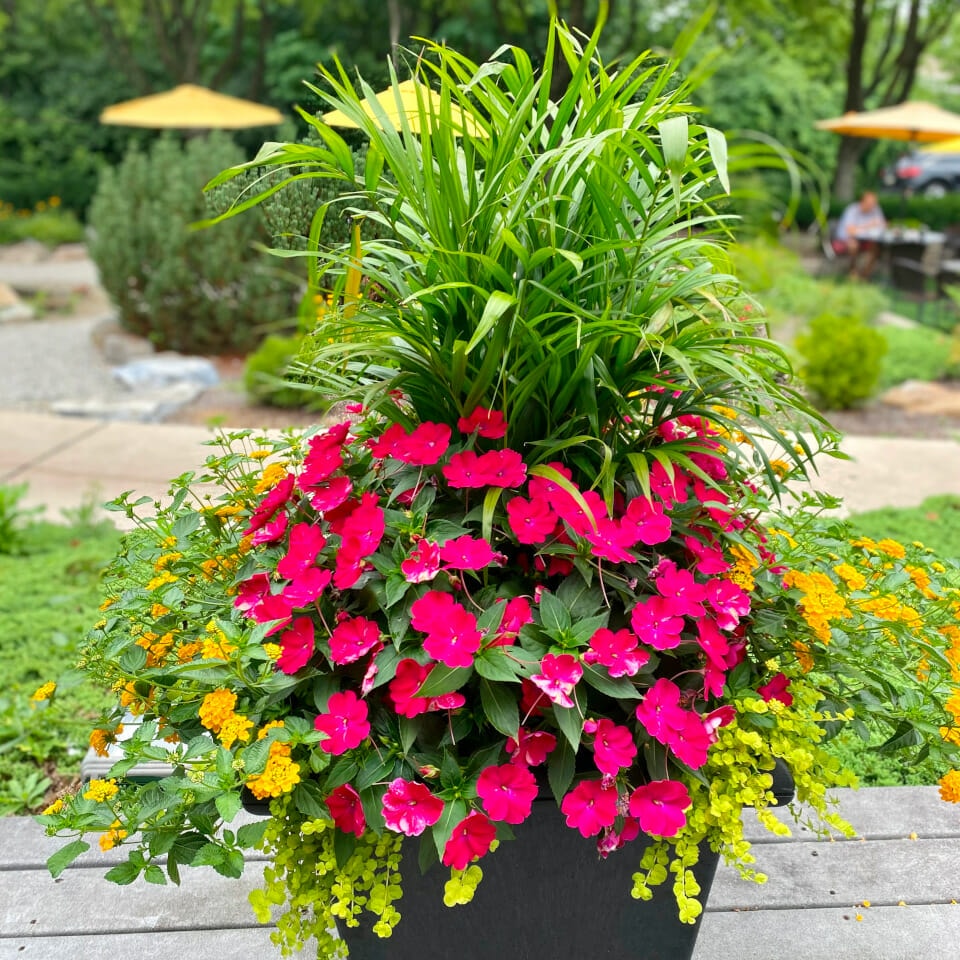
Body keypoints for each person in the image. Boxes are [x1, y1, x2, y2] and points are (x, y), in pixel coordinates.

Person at [832, 191, 887, 279]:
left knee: (876, 247)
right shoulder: (852, 210)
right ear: (862, 202)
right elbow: (850, 231)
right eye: (870, 203)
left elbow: (883, 225)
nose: (872, 206)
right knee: (853, 245)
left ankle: (865, 274)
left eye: (874, 203)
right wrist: (869, 225)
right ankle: (852, 270)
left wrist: (880, 225)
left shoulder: (875, 210)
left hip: (866, 240)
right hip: (845, 239)